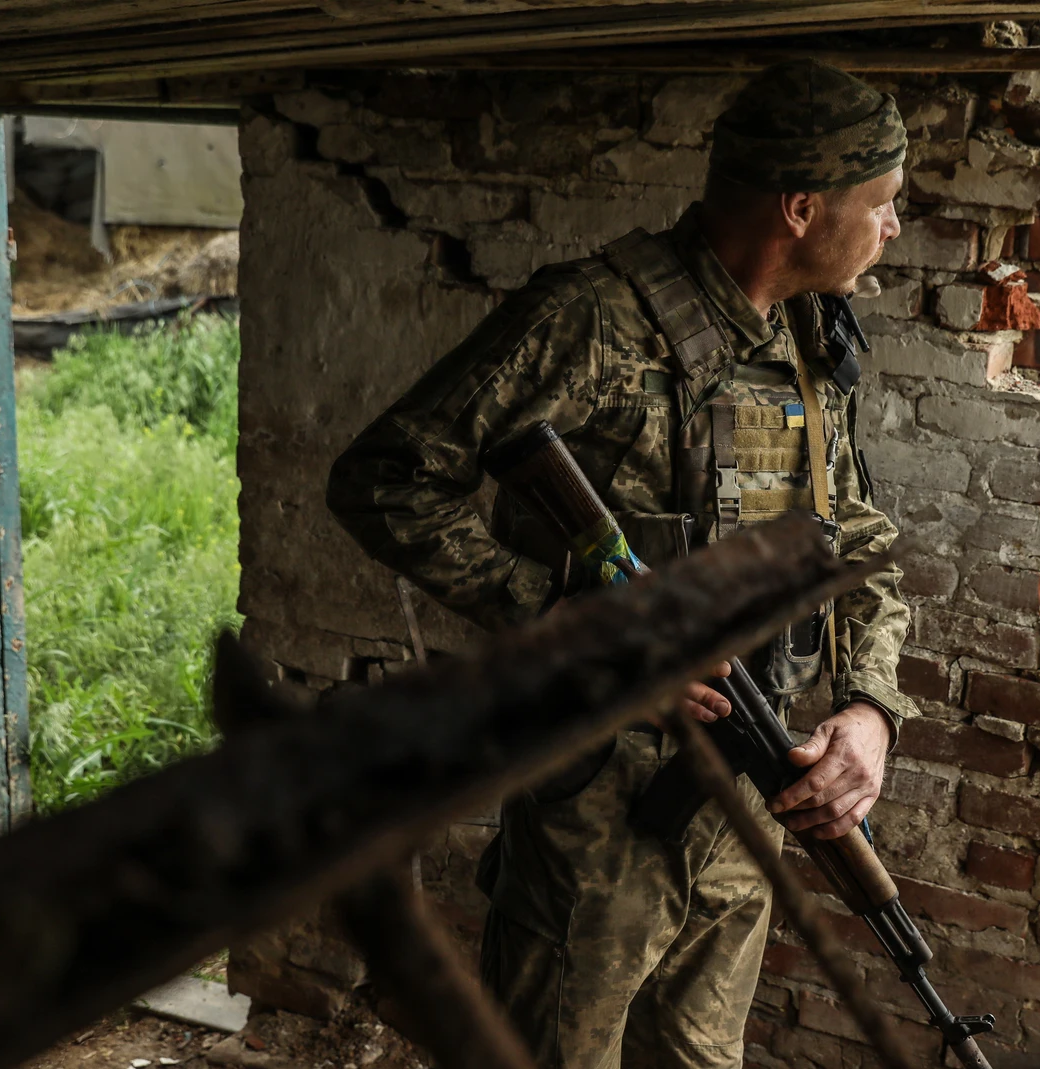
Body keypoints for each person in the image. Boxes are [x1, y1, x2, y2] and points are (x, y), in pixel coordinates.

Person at [327, 59, 917, 1069]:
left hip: (750, 786)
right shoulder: (592, 318)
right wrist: (565, 622)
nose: (893, 227)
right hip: (594, 802)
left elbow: (854, 540)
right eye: (882, 203)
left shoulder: (810, 334)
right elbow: (386, 477)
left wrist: (870, 707)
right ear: (800, 208)